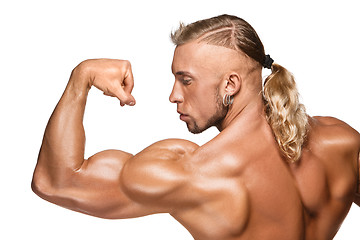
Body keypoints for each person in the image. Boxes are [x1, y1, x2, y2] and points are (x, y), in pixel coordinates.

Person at [32, 14, 360, 240]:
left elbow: (56, 182)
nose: (174, 95)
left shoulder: (194, 173)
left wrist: (82, 77)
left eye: (185, 80)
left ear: (230, 84)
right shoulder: (341, 141)